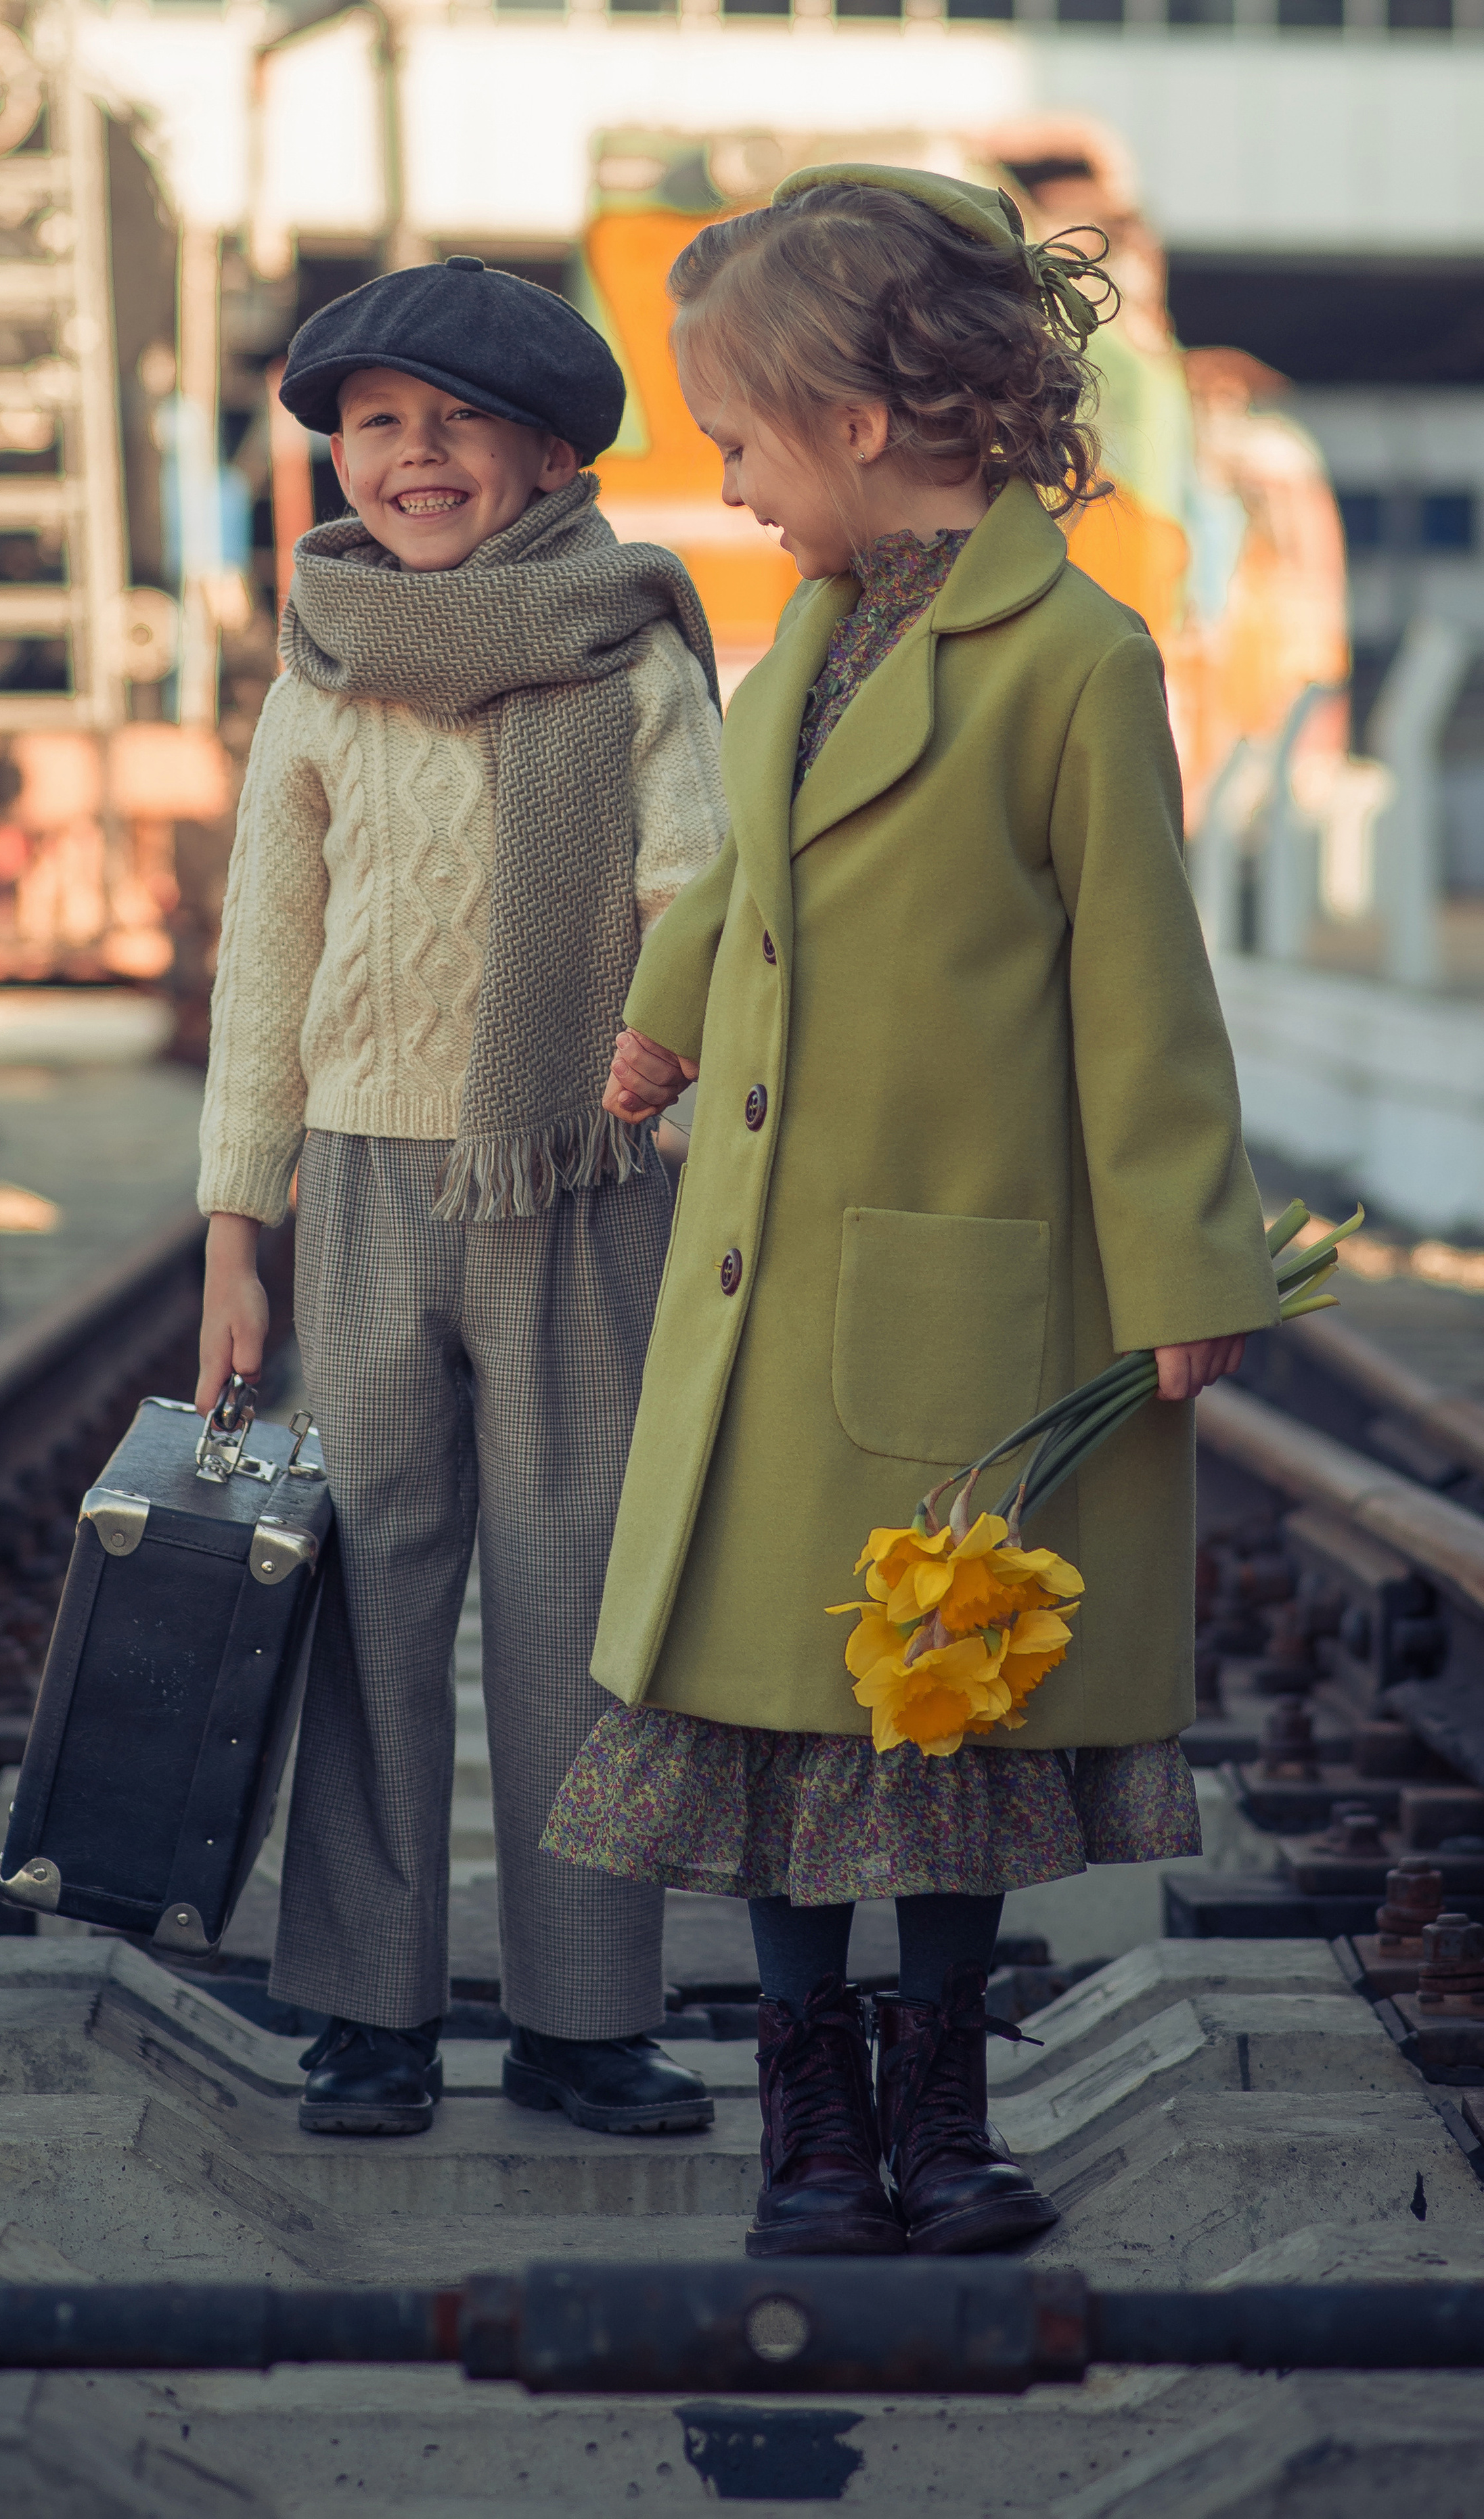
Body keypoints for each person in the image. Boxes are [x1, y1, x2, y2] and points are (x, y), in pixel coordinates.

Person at [542, 168, 1279, 2254]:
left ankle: (941, 2107)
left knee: (935, 1703)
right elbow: (757, 872)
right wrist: (663, 1016)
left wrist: (1188, 1266)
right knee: (778, 1715)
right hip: (769, 1282)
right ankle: (807, 2116)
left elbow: (1145, 996)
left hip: (950, 1293)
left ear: (865, 424)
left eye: (745, 440)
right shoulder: (818, 635)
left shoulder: (1074, 659)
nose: (732, 483)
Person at [196, 258, 727, 2141]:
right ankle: (369, 2004)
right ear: (340, 461)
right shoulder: (324, 666)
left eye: (454, 423)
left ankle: (589, 2017)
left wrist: (659, 1080)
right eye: (375, 427)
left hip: (584, 1175)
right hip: (359, 1178)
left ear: (552, 451)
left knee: (581, 1591)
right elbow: (267, 952)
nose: (412, 460)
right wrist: (234, 1228)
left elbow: (699, 895)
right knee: (364, 1585)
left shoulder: (634, 653)